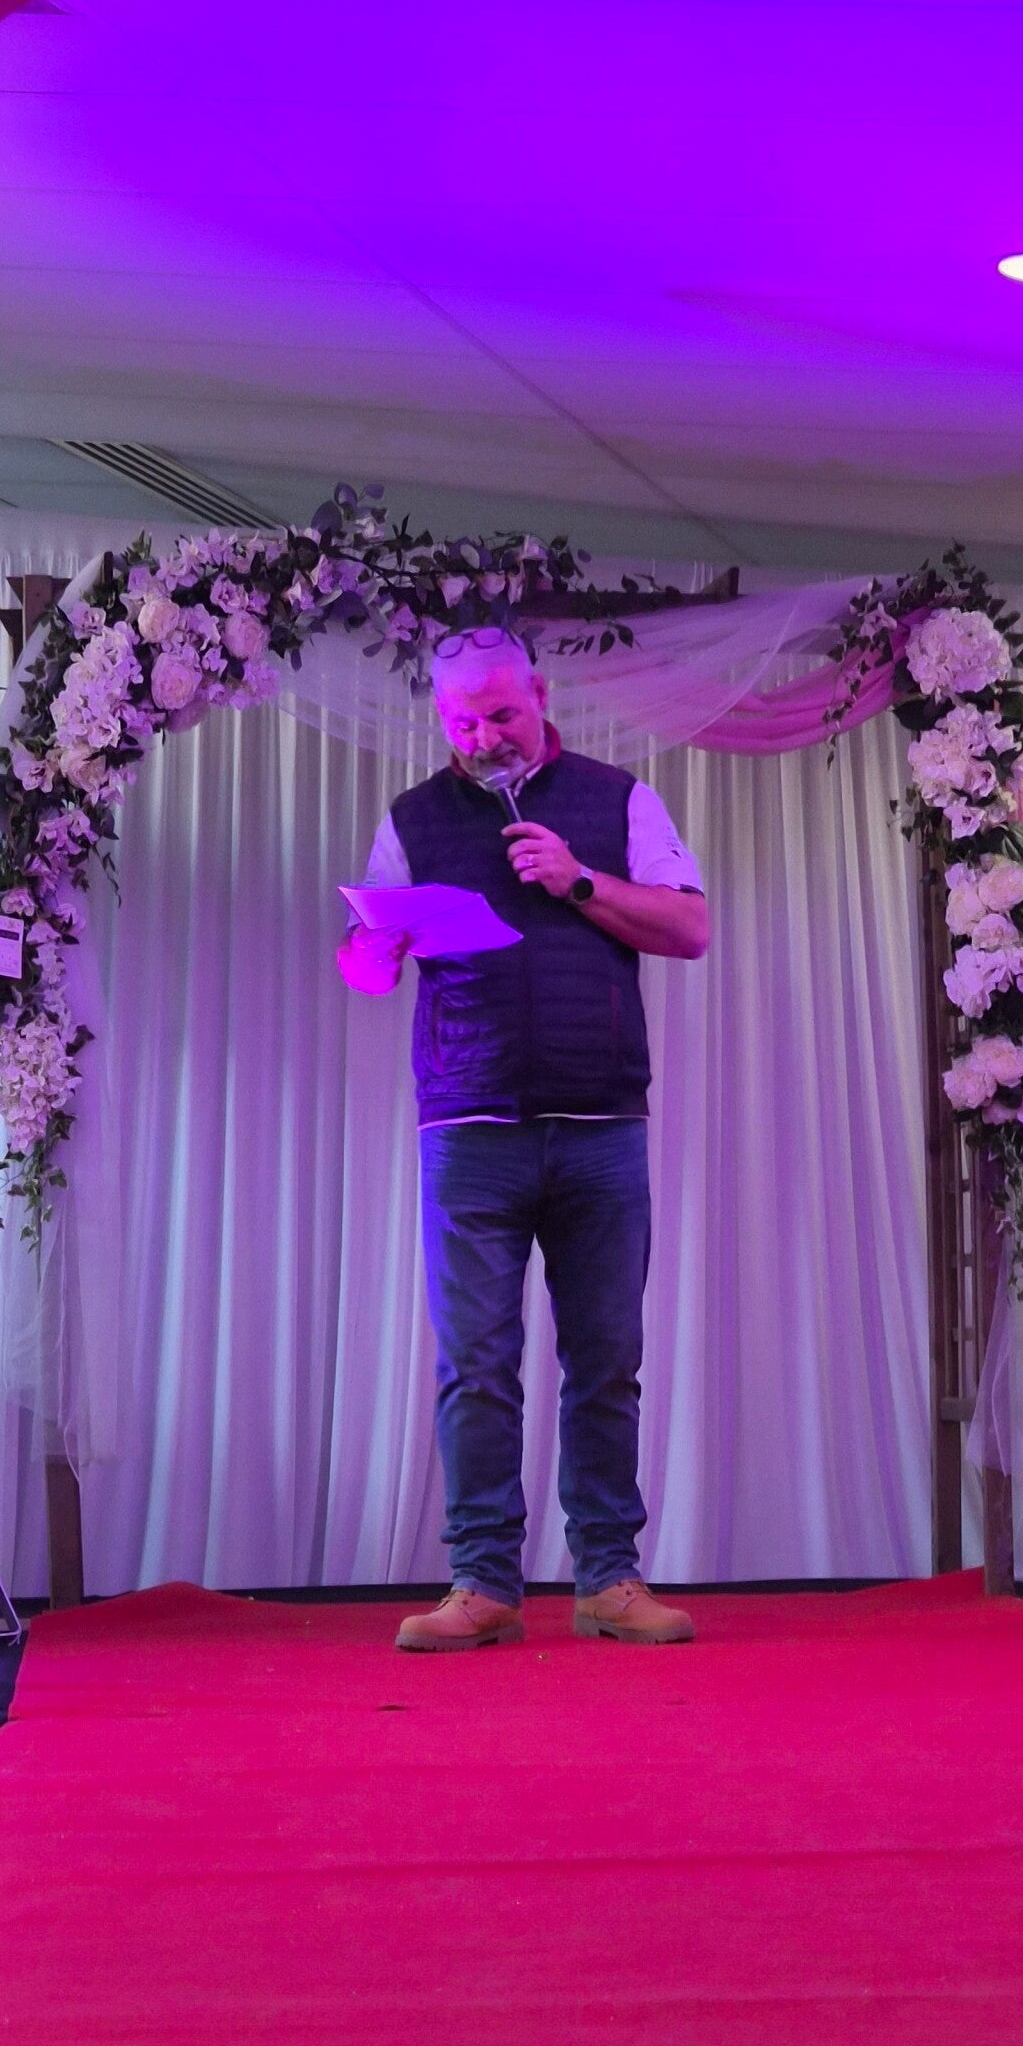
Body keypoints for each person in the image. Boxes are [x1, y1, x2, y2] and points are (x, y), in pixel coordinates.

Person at [340, 628, 709, 1651]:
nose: (483, 737)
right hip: (469, 1124)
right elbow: (366, 972)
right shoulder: (412, 818)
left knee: (607, 1358)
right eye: (461, 722)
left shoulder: (619, 801)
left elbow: (690, 929)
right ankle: (483, 1582)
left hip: (600, 1121)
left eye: (501, 714)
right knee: (476, 1364)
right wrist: (374, 947)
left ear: (541, 694)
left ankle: (609, 1579)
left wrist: (579, 880)